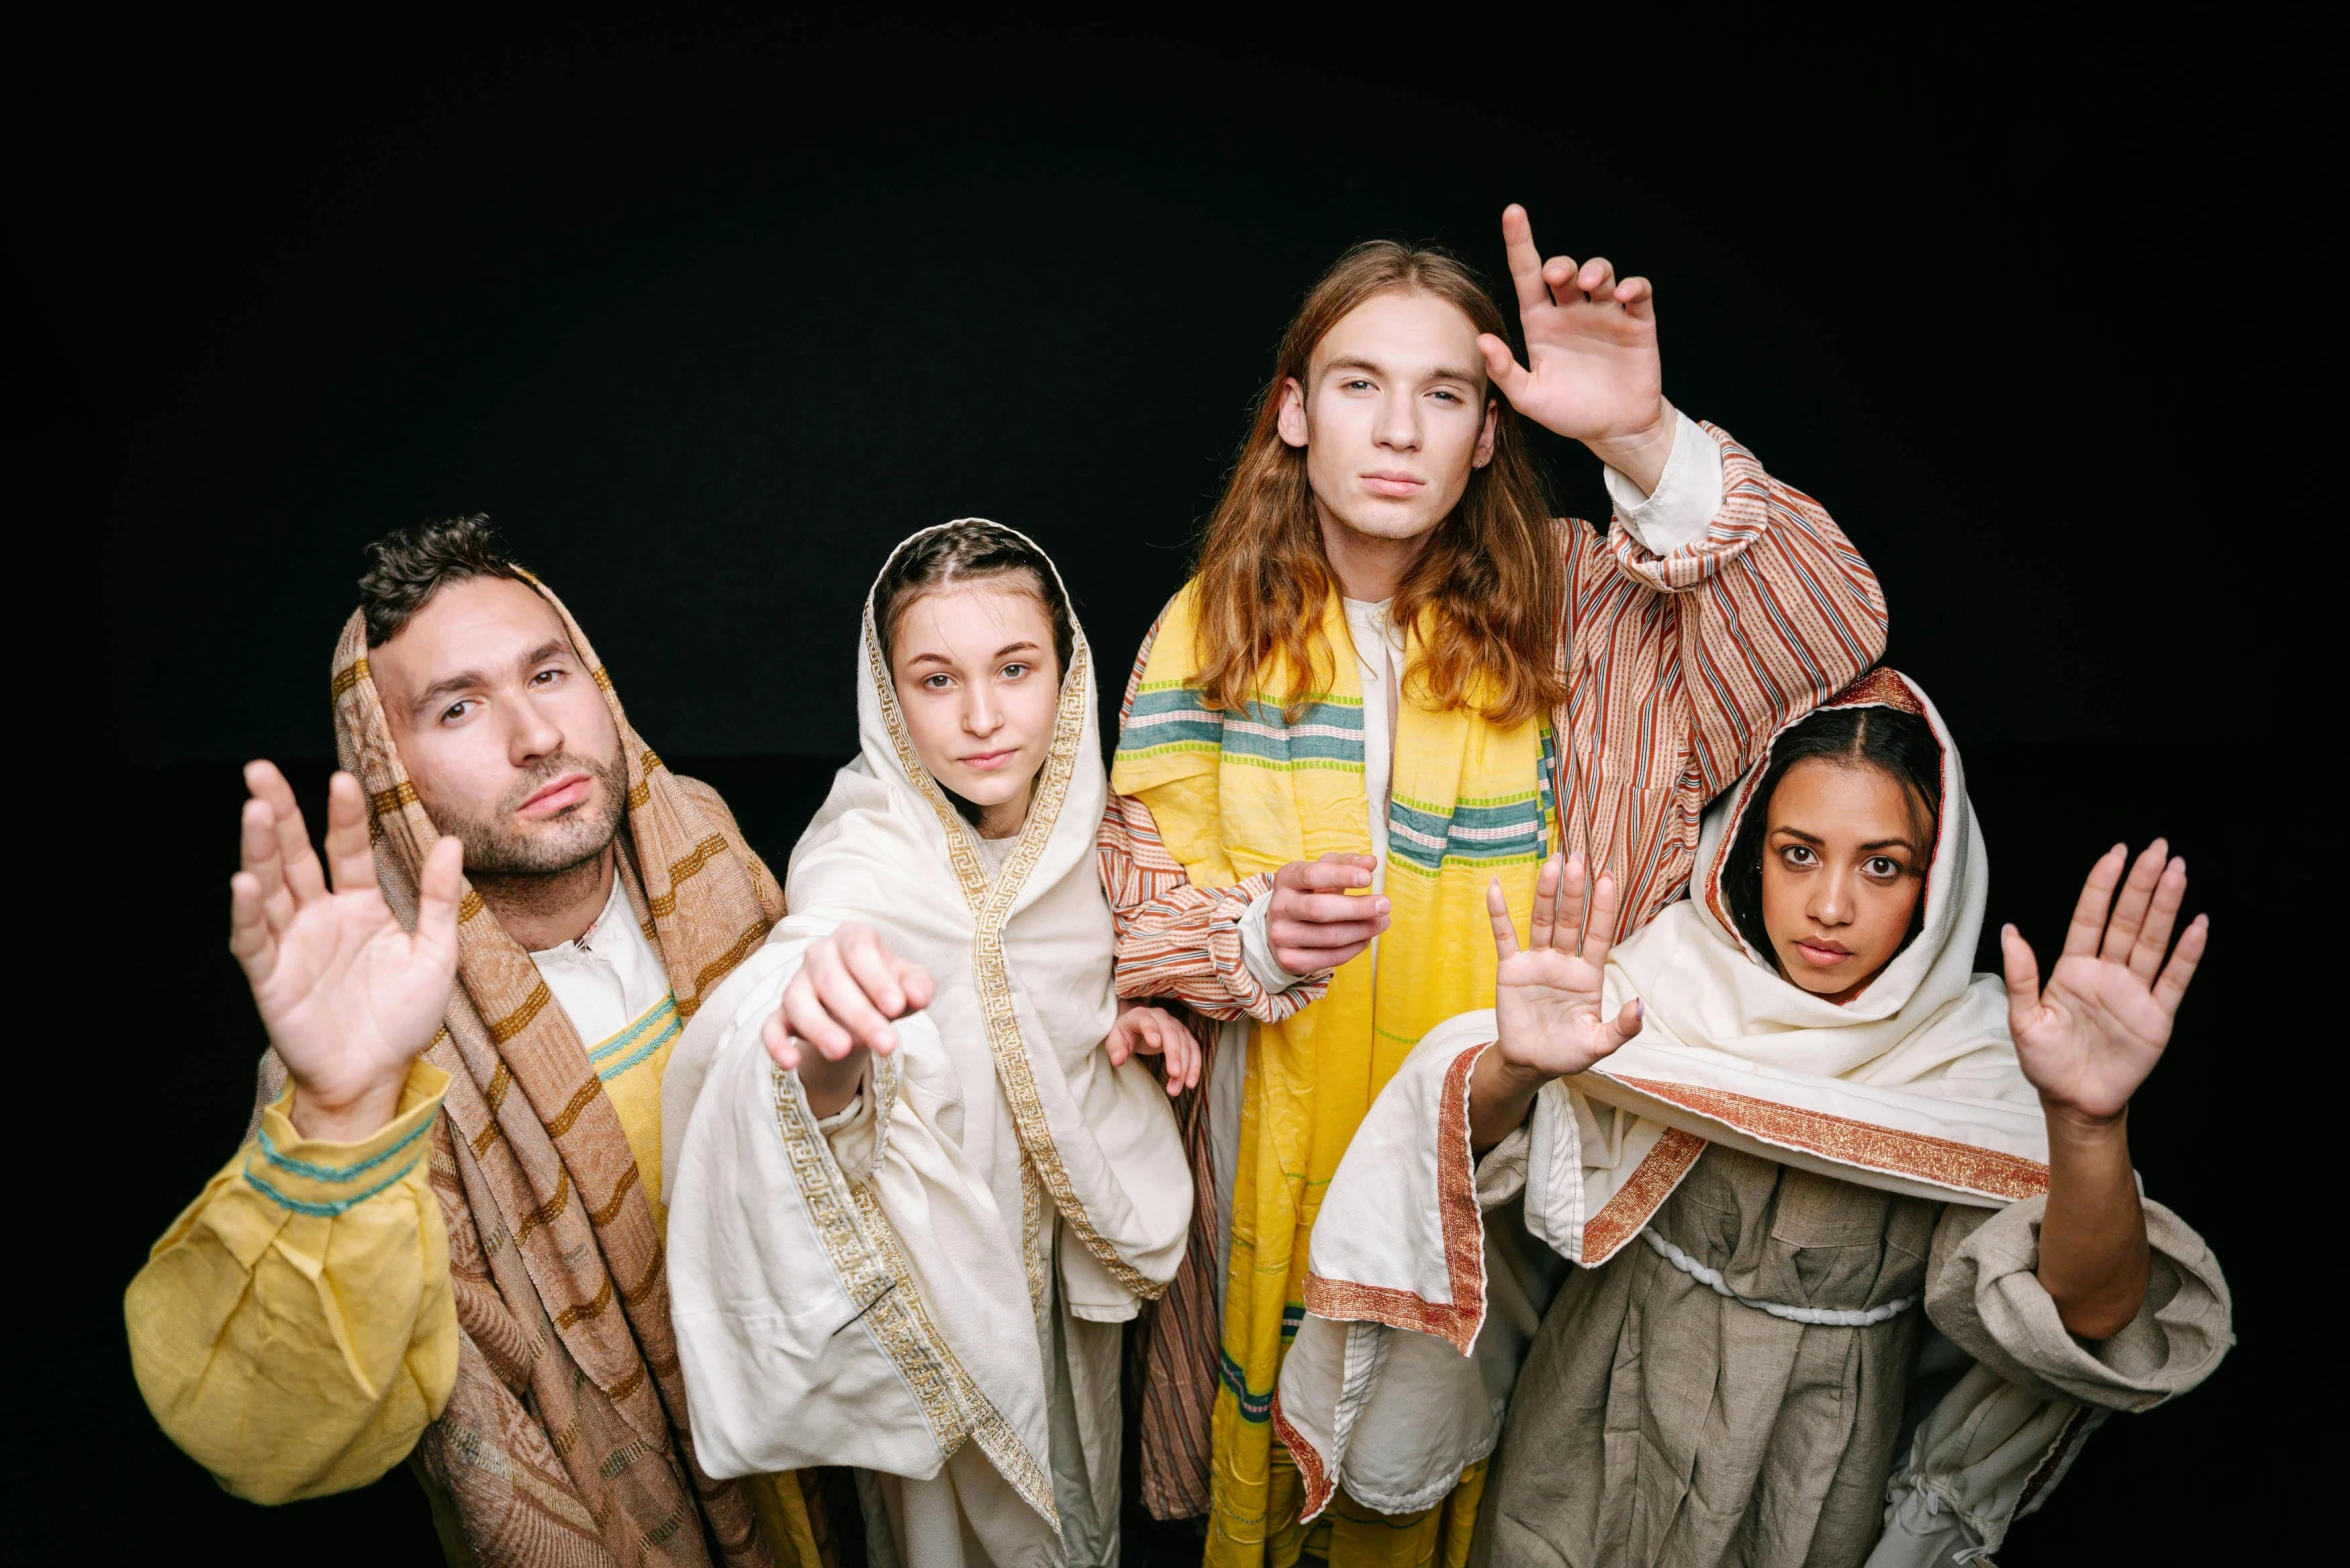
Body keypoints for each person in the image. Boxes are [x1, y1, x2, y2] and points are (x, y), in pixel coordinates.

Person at [1100, 205, 1891, 1562]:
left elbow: (1835, 630)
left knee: (1471, 1494)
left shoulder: (1581, 610)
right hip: (1262, 1158)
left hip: (1513, 1151)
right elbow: (1123, 890)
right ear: (1293, 412)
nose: (1399, 431)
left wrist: (1635, 439)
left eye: (1444, 394)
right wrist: (1246, 937)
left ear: (1485, 432)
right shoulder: (1203, 628)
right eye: (1360, 386)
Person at [1278, 669, 2233, 1567]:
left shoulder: (1979, 1065)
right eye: (1799, 853)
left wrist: (2087, 1124)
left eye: (1883, 867)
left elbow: (2094, 1316)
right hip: (1593, 1427)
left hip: (1812, 1477)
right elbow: (1491, 1181)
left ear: (1938, 890)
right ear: (1748, 850)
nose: (1829, 905)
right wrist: (1514, 1070)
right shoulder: (1666, 990)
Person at [124, 518, 831, 1568]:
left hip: (835, 1466)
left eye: (548, 672)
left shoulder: (707, 846)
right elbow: (272, 1440)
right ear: (386, 763)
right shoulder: (369, 1044)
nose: (535, 732)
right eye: (457, 705)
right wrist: (337, 1113)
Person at [661, 521, 1197, 1568]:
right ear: (886, 693)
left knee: (1076, 1486)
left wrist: (1115, 1024)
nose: (984, 716)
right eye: (936, 679)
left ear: (1068, 669)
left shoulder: (1097, 833)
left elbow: (1048, 999)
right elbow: (814, 965)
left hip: (1058, 1260)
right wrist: (811, 1026)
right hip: (938, 1276)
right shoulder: (862, 847)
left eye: (1015, 668)